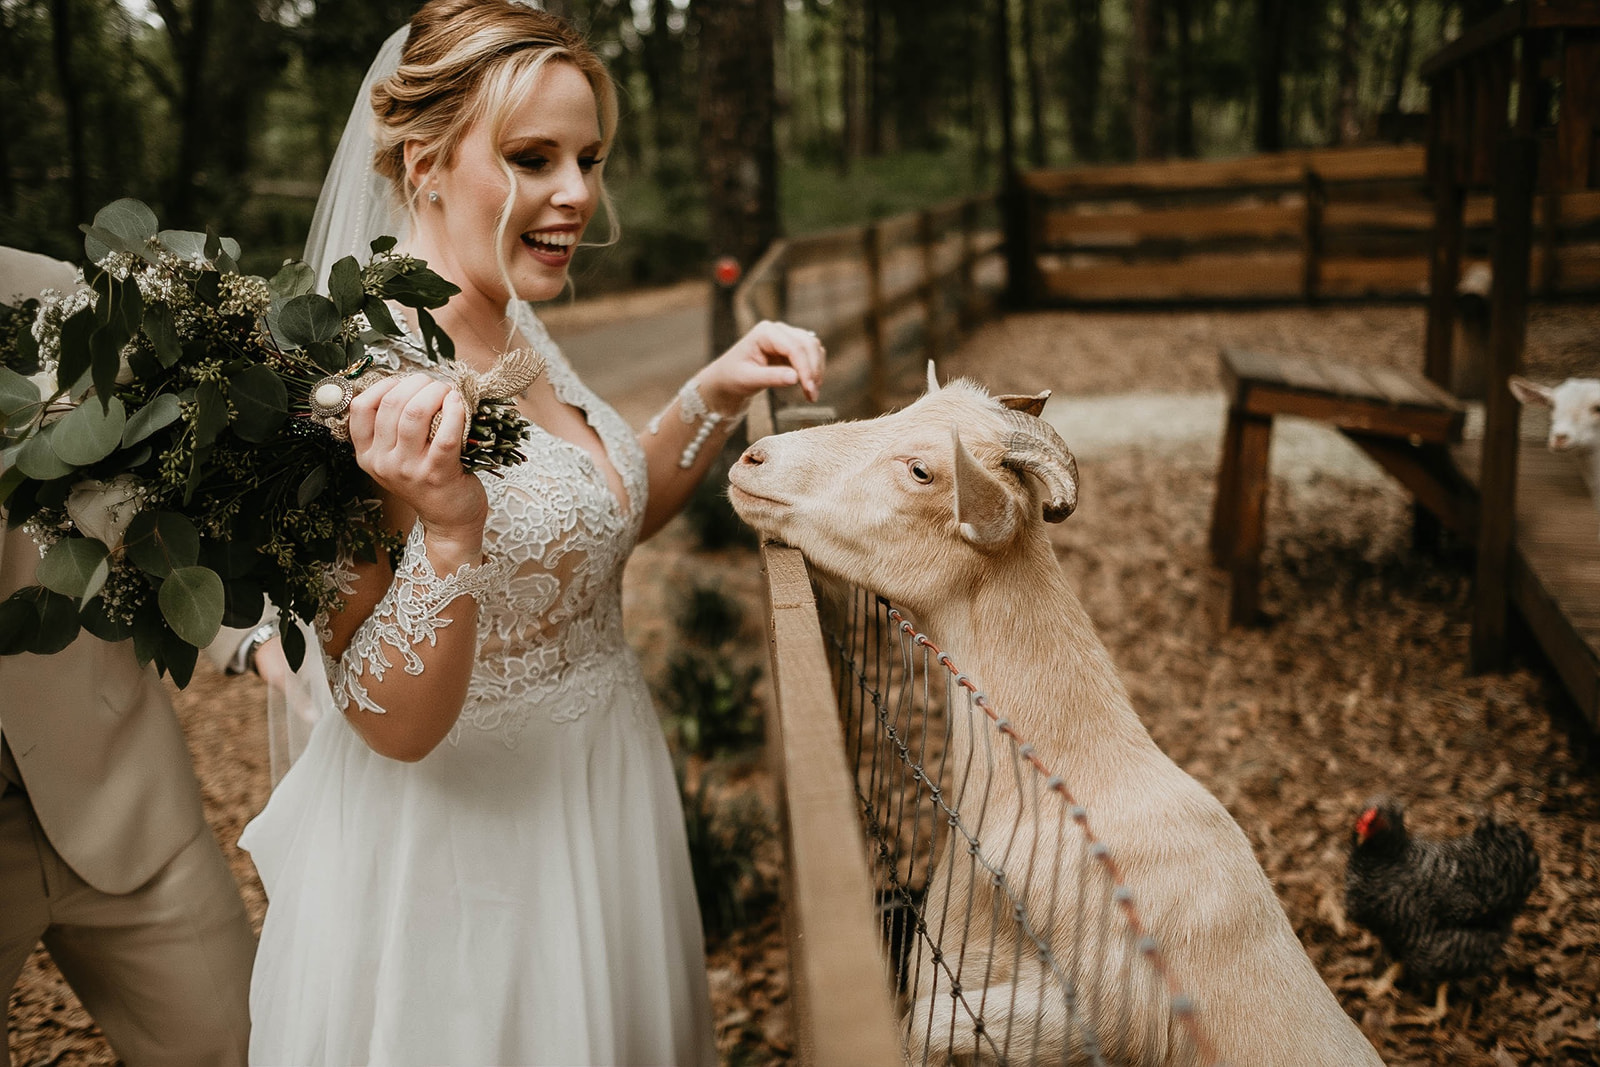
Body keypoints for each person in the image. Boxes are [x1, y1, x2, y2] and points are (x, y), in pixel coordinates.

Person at [237, 2, 824, 1063]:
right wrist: (452, 534)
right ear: (424, 162)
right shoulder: (350, 382)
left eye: (589, 156)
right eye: (532, 156)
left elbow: (597, 518)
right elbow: (386, 720)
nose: (577, 193)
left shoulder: (505, 314)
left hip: (602, 787)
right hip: (463, 861)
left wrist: (717, 389)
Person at [0, 249, 257, 1066]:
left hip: (120, 779)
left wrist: (248, 638)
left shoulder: (63, 300)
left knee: (245, 1044)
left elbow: (170, 502)